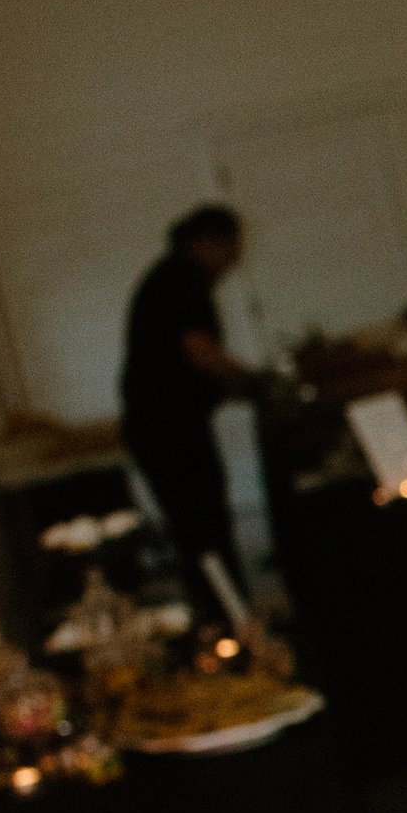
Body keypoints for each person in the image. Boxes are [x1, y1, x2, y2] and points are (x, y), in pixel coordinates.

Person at [119, 203, 261, 608]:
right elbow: (201, 352)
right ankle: (228, 622)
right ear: (210, 242)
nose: (234, 261)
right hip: (170, 429)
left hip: (164, 425)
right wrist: (253, 384)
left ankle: (227, 618)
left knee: (200, 532)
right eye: (232, 248)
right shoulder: (183, 279)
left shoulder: (169, 277)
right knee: (204, 532)